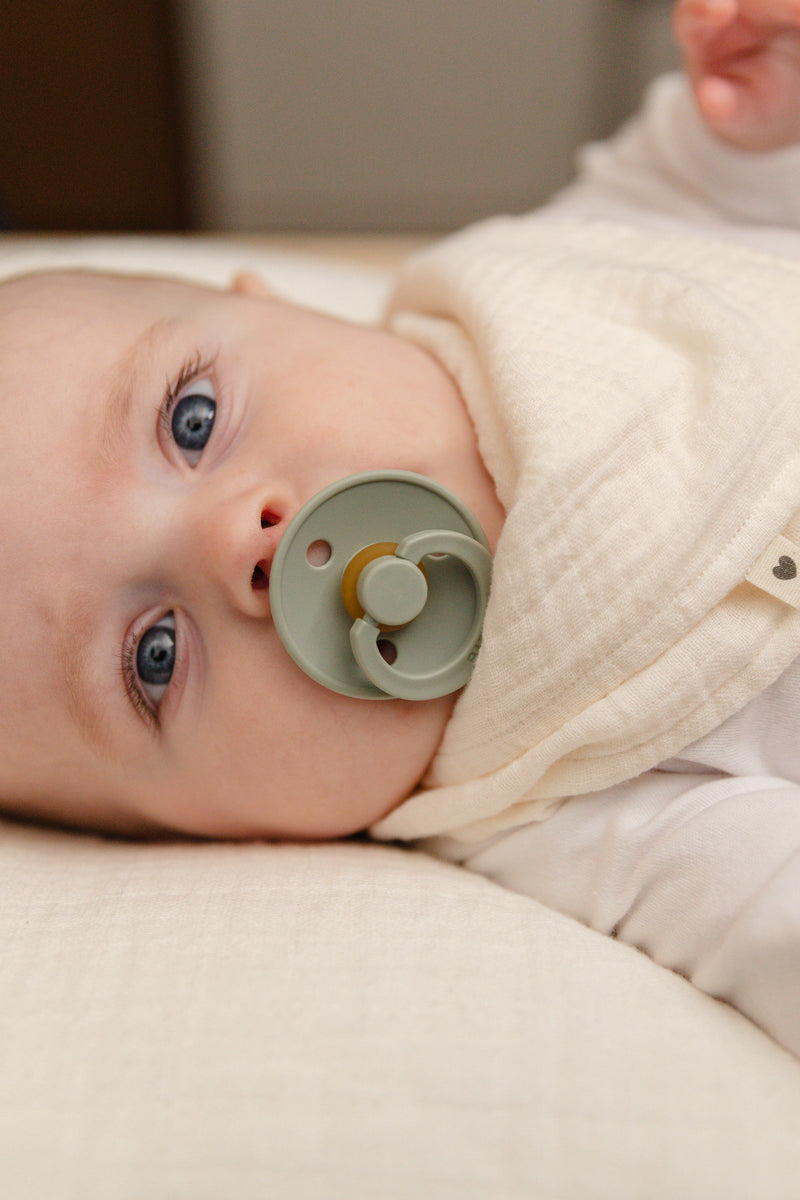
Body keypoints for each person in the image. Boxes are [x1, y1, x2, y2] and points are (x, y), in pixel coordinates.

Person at [1, 0, 799, 1055]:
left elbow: (713, 176)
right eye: (154, 657)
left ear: (277, 304)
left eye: (191, 420)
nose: (232, 545)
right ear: (217, 832)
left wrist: (756, 108)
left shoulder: (543, 266)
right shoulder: (551, 802)